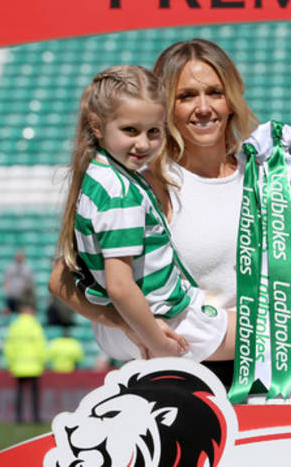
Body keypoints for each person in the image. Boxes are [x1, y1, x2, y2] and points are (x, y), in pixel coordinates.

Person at [49, 40, 291, 384]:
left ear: (231, 99)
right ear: (164, 105)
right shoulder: (145, 185)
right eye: (186, 96)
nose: (203, 107)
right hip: (186, 378)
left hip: (275, 373)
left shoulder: (268, 172)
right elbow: (61, 281)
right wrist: (130, 324)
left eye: (215, 92)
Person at [54, 64, 235, 363]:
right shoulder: (120, 193)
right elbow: (120, 285)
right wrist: (158, 343)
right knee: (279, 333)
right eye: (130, 130)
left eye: (153, 132)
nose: (143, 143)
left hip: (143, 319)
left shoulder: (99, 174)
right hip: (169, 323)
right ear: (97, 126)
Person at [3, 302, 46, 423]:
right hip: (34, 365)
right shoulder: (35, 325)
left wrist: (10, 362)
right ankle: (35, 417)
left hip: (18, 365)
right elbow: (41, 345)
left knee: (20, 393)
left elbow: (9, 346)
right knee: (34, 394)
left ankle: (19, 417)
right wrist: (42, 360)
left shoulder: (15, 326)